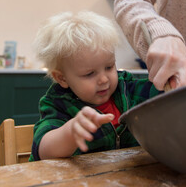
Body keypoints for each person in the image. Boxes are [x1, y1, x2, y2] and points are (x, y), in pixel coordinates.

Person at [29, 11, 161, 161]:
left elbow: (167, 96)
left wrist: (167, 81)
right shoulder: (58, 104)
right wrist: (69, 132)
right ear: (62, 78)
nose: (104, 79)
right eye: (90, 74)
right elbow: (43, 150)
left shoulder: (129, 89)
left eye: (109, 67)